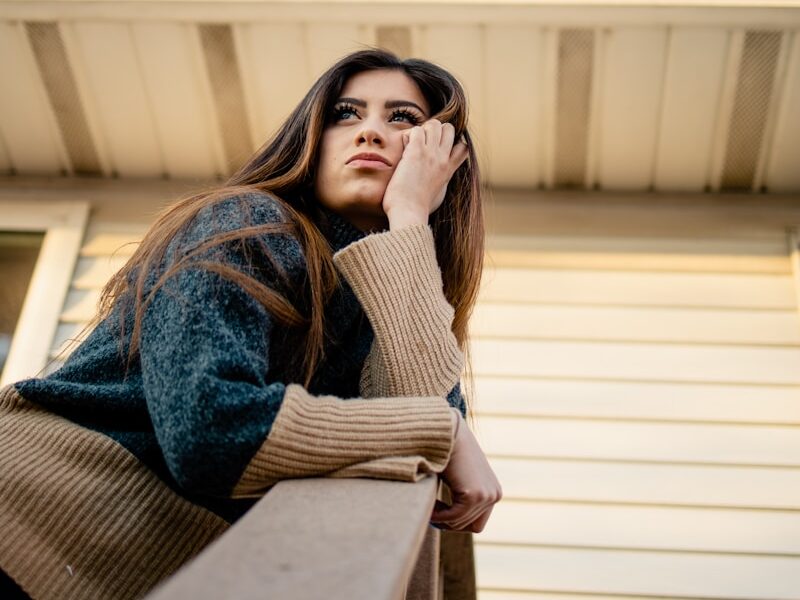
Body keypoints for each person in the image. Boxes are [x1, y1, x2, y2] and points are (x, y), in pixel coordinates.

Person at [0, 48, 501, 599]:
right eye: (344, 114)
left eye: (402, 118)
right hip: (27, 524)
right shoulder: (245, 221)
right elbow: (211, 428)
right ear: (311, 138)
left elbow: (420, 453)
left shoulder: (393, 296)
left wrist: (408, 218)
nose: (369, 133)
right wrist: (441, 428)